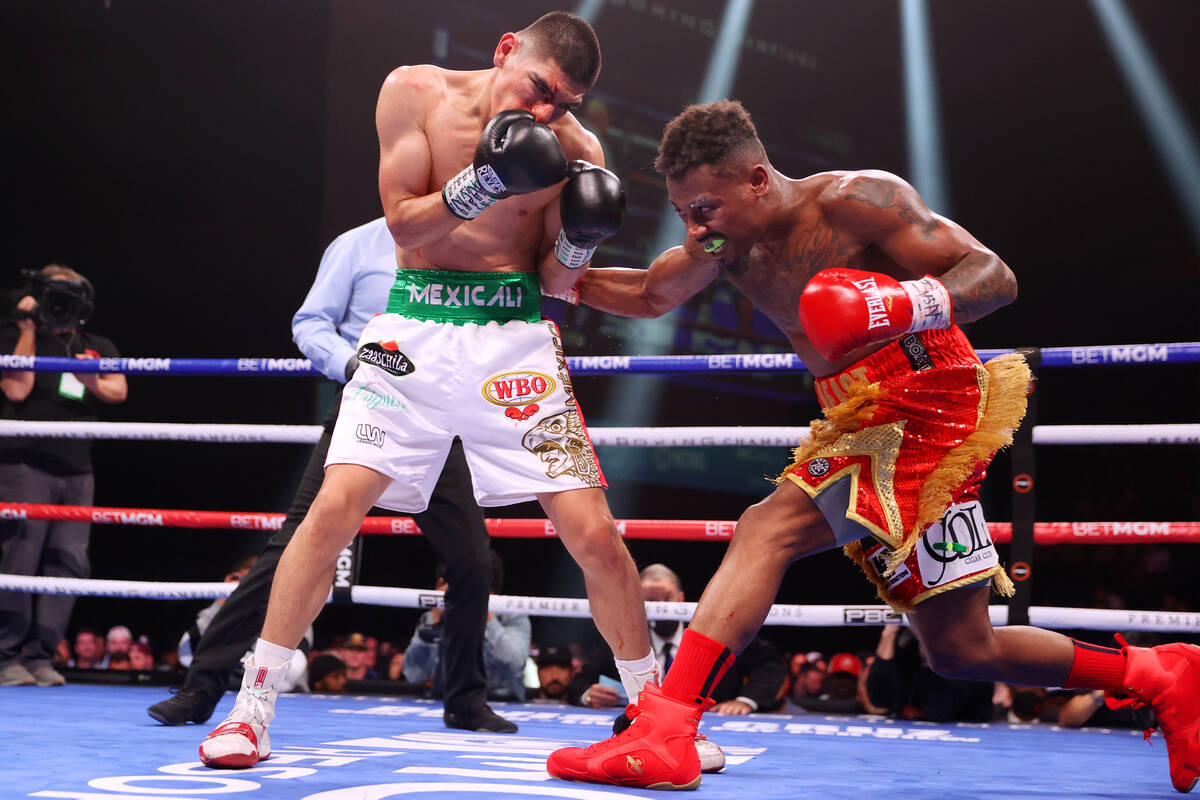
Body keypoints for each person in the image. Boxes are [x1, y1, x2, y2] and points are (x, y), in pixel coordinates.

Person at [544, 100, 1200, 793]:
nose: (695, 227)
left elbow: (994, 276)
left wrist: (897, 304)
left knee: (767, 529)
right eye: (683, 212)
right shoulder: (724, 245)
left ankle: (666, 729)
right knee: (960, 647)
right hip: (859, 411)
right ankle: (1156, 673)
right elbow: (650, 294)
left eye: (705, 208)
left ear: (757, 179)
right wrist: (547, 278)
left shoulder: (855, 201)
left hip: (926, 392)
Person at [198, 11, 658, 771]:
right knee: (332, 510)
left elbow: (554, 282)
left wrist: (578, 242)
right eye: (540, 88)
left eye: (564, 103)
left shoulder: (578, 150)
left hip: (512, 339)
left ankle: (654, 715)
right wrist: (485, 181)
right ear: (505, 50)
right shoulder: (414, 91)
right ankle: (252, 709)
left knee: (596, 534)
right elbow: (406, 227)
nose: (547, 112)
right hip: (414, 328)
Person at [147, 217, 519, 736]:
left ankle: (464, 700)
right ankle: (202, 686)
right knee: (295, 545)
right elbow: (311, 322)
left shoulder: (467, 242)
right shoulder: (358, 245)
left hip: (438, 416)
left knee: (472, 560)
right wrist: (355, 366)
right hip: (367, 405)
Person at [0, 264, 127, 687]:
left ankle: (42, 655)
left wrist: (90, 380)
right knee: (20, 556)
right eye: (53, 299)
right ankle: (5, 655)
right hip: (24, 465)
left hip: (77, 471)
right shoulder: (17, 337)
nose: (60, 308)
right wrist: (27, 328)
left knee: (69, 561)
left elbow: (118, 390)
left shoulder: (97, 346)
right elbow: (16, 388)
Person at [403, 552, 530, 702]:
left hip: (502, 702)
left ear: (490, 588)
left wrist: (484, 613)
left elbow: (515, 666)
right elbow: (413, 675)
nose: (464, 594)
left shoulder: (511, 616)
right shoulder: (434, 619)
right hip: (446, 703)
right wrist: (434, 620)